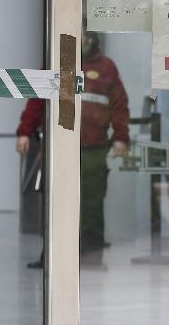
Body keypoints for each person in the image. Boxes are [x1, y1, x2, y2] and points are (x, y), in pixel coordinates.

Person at [16, 30, 129, 268]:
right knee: (53, 198)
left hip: (93, 146)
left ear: (91, 39)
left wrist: (121, 137)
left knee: (91, 200)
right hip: (59, 144)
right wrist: (24, 132)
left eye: (85, 38)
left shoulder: (106, 68)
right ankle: (51, 255)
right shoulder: (55, 63)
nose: (81, 43)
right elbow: (36, 101)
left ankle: (90, 255)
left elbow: (119, 105)